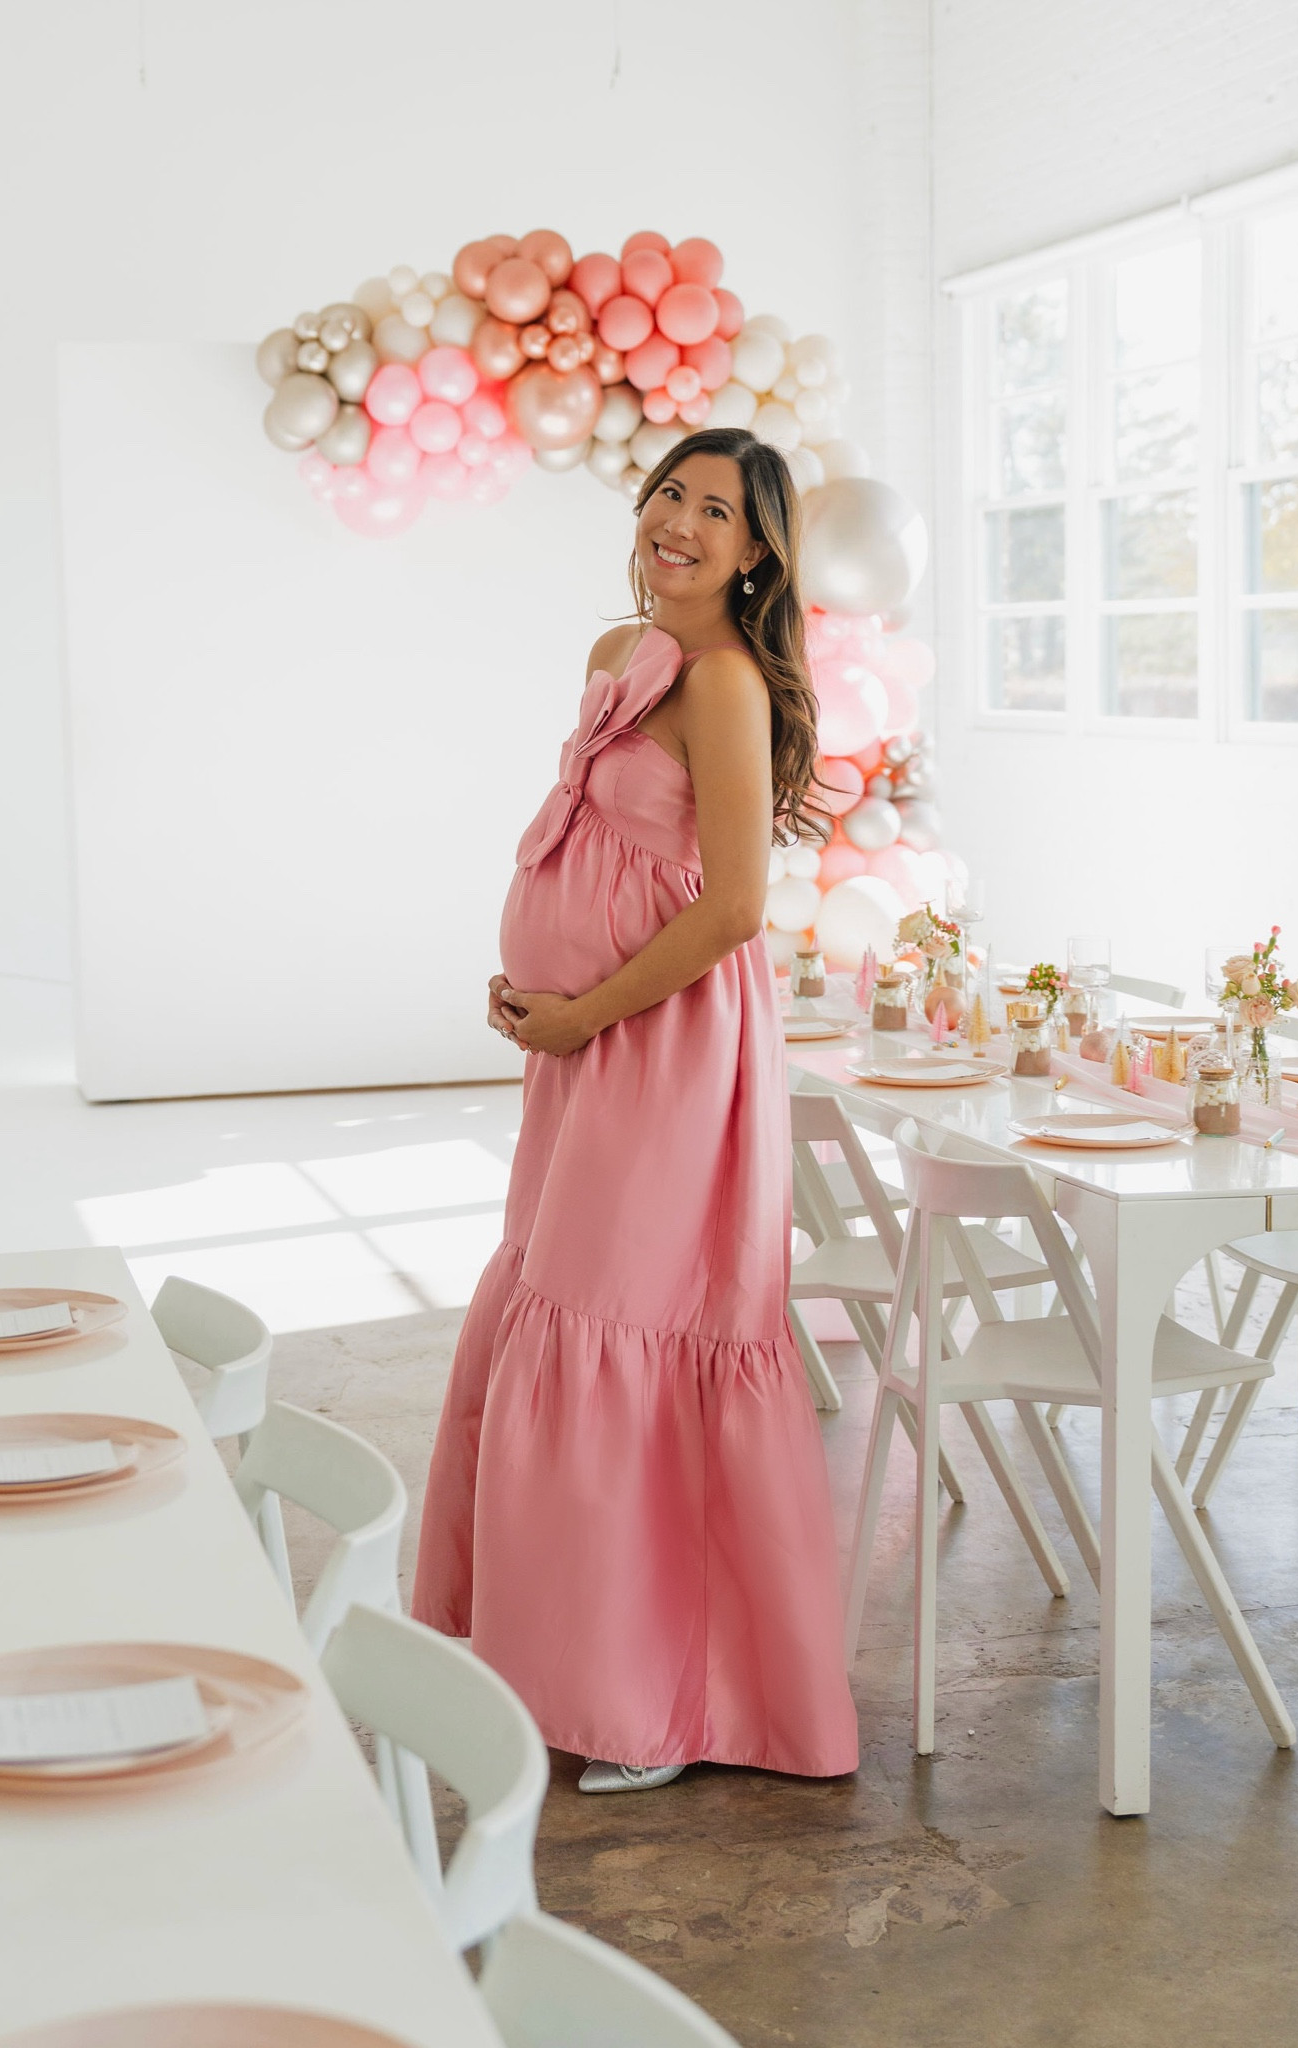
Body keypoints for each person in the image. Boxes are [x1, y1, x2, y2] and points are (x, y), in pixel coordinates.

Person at [412, 427, 858, 1792]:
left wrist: (587, 1008)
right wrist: (534, 985)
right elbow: (596, 848)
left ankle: (657, 1701)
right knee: (559, 1303)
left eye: (716, 510)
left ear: (758, 552)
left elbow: (731, 908)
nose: (679, 521)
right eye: (670, 491)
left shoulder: (725, 685)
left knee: (634, 1326)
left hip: (666, 1057)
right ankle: (553, 1662)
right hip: (584, 1053)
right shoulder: (617, 657)